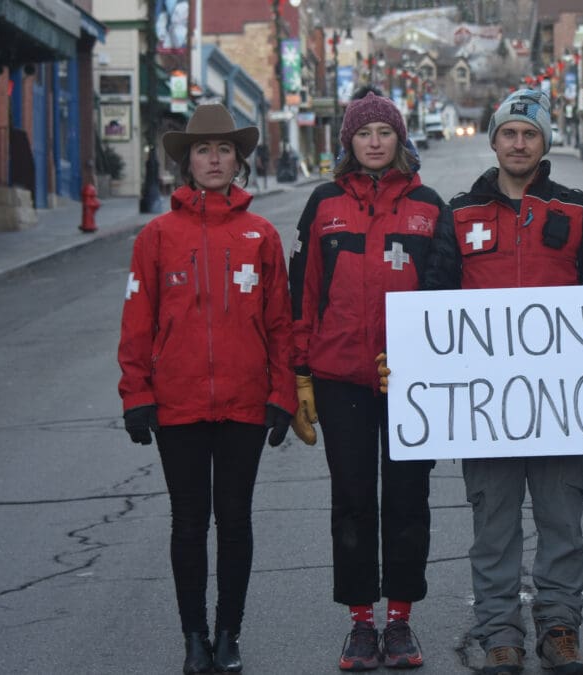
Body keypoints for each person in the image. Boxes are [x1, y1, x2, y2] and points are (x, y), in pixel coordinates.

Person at [423, 88, 583, 675]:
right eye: (509, 132)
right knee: (494, 524)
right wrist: (413, 365)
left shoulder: (578, 210)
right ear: (494, 139)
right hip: (485, 408)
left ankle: (559, 627)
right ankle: (500, 630)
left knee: (561, 519)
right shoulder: (458, 215)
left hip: (559, 405)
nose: (519, 142)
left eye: (530, 133)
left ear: (545, 142)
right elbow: (434, 305)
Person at [117, 103, 296, 674]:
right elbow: (137, 322)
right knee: (189, 521)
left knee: (236, 520)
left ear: (239, 161)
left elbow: (279, 325)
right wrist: (136, 394)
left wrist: (283, 395)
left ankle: (228, 632)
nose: (214, 159)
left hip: (245, 402)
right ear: (187, 162)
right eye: (203, 150)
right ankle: (193, 636)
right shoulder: (157, 236)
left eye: (224, 150)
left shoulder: (260, 234)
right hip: (178, 403)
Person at [287, 92, 449, 671]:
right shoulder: (324, 204)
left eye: (385, 131)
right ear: (349, 143)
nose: (375, 142)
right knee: (352, 500)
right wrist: (301, 371)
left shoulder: (430, 207)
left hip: (413, 382)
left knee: (407, 499)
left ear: (399, 140)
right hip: (340, 378)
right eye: (364, 133)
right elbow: (303, 292)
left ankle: (401, 619)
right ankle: (360, 621)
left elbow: (448, 298)